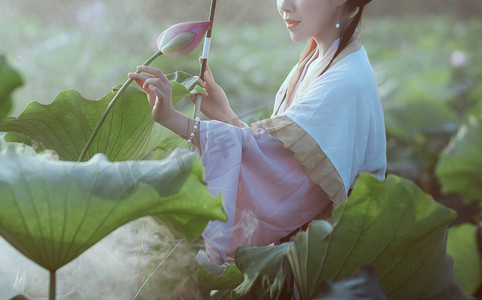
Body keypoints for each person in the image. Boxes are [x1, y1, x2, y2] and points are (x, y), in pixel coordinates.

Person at [128, 0, 386, 265]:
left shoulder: (346, 80)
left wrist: (173, 119)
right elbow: (280, 158)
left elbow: (280, 177)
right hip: (305, 256)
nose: (284, 5)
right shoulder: (318, 58)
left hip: (331, 267)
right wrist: (227, 116)